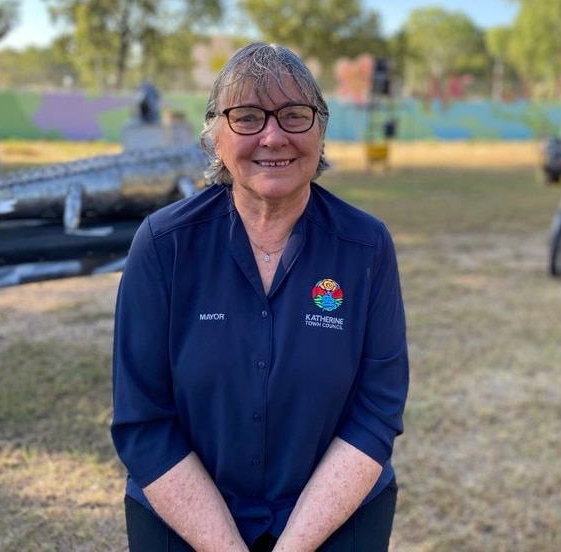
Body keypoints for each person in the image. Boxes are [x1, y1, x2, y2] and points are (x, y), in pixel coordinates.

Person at [111, 42, 410, 552]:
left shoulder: (366, 246)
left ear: (320, 129)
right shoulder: (164, 245)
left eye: (295, 115)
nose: (273, 136)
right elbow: (144, 421)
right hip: (186, 513)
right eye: (247, 117)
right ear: (215, 139)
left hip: (331, 514)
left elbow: (375, 412)